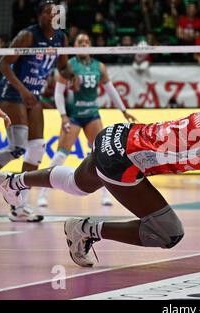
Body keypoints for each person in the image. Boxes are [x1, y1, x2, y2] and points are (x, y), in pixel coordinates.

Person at [0, 64, 200, 268]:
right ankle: (85, 229)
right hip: (123, 159)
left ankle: (15, 181)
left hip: (117, 136)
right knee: (169, 233)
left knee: (79, 184)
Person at [0, 0, 71, 222]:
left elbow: (63, 67)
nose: (52, 16)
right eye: (48, 12)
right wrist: (23, 91)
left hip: (34, 95)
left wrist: (73, 74)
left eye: (55, 12)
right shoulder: (28, 35)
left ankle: (19, 206)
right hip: (13, 93)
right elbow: (3, 64)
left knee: (37, 149)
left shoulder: (61, 38)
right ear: (40, 16)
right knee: (17, 148)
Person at [37, 33, 137, 207]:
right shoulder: (68, 66)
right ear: (75, 46)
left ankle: (105, 195)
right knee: (61, 154)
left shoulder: (100, 67)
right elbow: (58, 92)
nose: (84, 44)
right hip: (74, 114)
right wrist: (62, 116)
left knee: (102, 154)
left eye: (86, 41)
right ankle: (42, 194)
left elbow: (111, 90)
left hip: (92, 114)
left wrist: (124, 110)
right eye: (80, 42)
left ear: (91, 45)